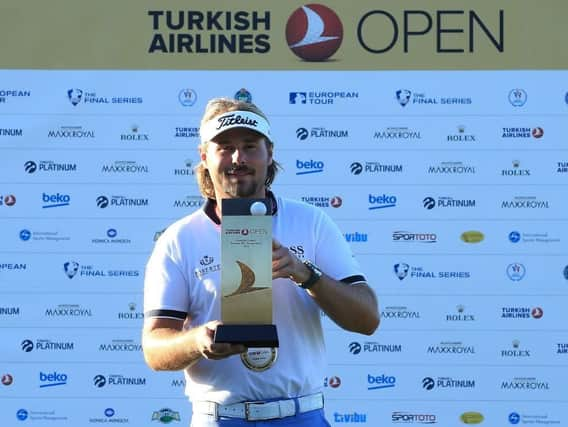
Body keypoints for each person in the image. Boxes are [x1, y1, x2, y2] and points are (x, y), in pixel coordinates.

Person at [142, 97, 379, 426]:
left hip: (301, 415)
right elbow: (154, 348)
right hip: (219, 417)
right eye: (225, 147)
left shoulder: (311, 222)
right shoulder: (179, 239)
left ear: (270, 154)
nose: (238, 158)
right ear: (204, 156)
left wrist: (306, 274)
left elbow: (367, 319)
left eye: (250, 146)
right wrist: (197, 341)